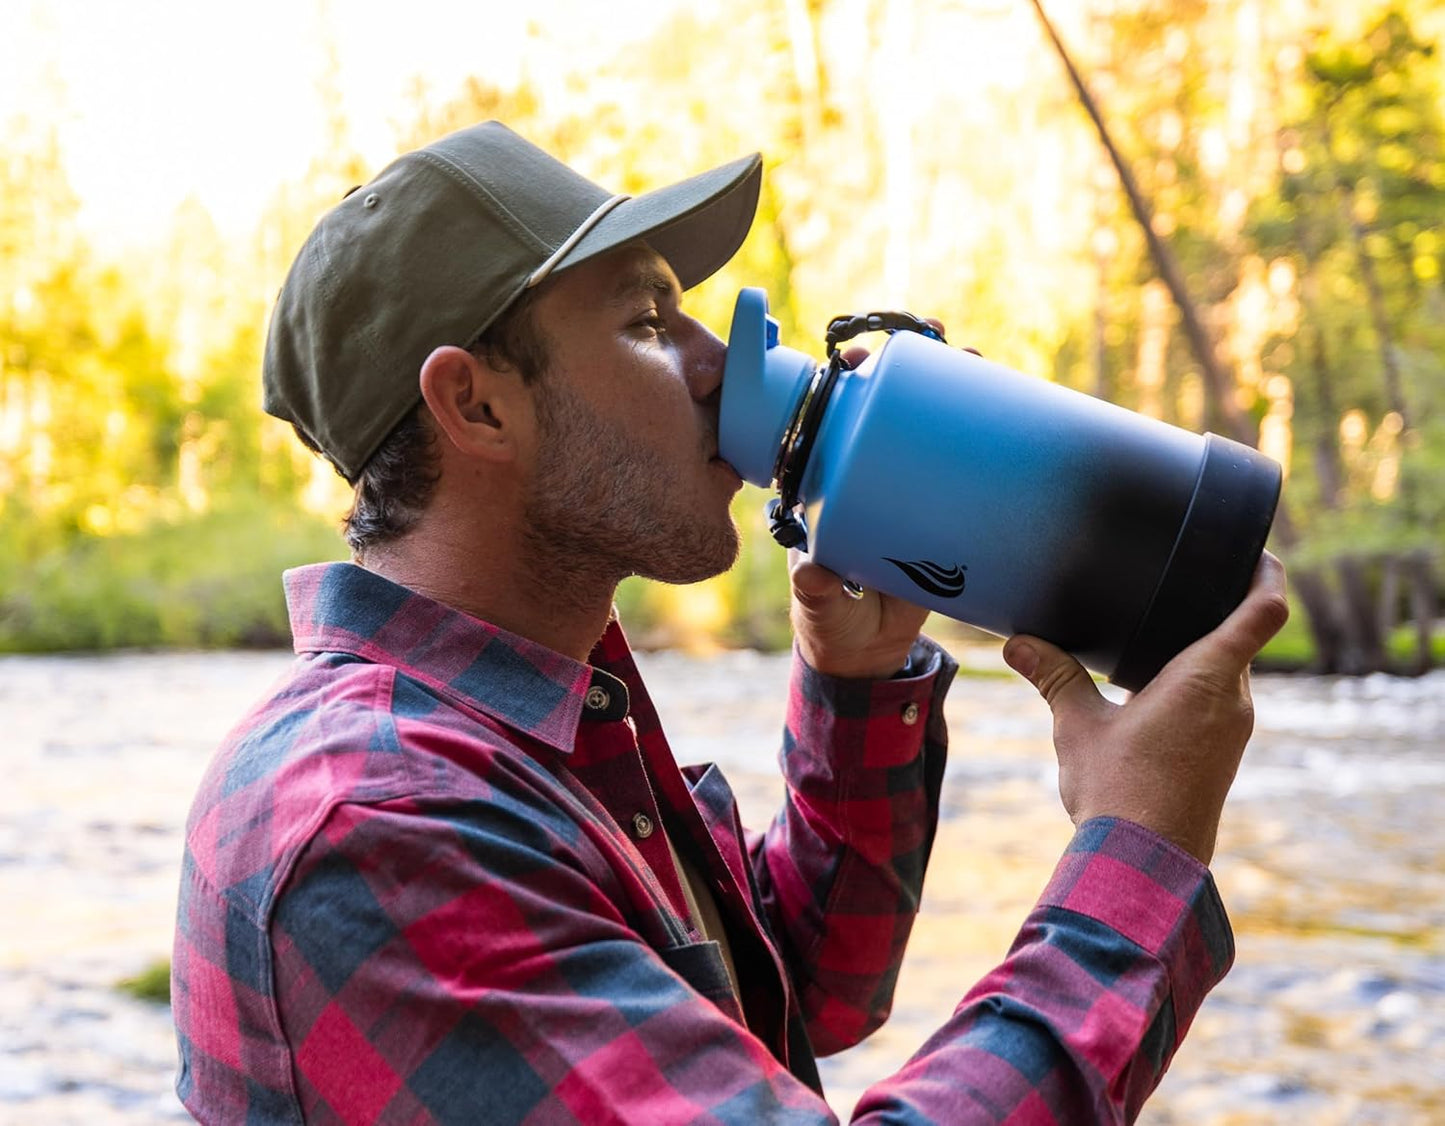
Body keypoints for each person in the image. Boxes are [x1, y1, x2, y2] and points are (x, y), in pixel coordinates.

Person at [171, 121, 1289, 1124]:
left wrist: (854, 692)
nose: (713, 365)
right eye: (647, 322)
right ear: (477, 404)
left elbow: (804, 998)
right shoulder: (380, 825)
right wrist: (1138, 853)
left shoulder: (524, 720)